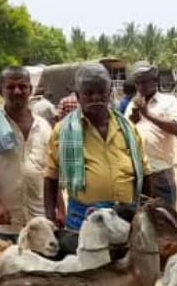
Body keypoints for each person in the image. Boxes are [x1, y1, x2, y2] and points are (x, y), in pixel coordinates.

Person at [44, 63, 156, 231]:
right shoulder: (63, 130)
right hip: (83, 221)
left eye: (101, 92)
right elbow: (51, 178)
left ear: (110, 94)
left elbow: (146, 174)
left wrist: (147, 214)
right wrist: (51, 218)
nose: (96, 98)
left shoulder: (128, 128)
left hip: (125, 219)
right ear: (78, 96)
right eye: (89, 93)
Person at [0, 66, 61, 243]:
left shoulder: (44, 126)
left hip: (40, 220)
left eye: (23, 86)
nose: (17, 91)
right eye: (10, 87)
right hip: (6, 220)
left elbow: (52, 171)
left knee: (41, 268)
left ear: (30, 90)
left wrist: (59, 208)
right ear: (0, 90)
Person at [126, 61, 177, 208]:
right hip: (138, 174)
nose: (140, 87)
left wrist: (148, 114)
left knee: (166, 222)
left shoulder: (169, 101)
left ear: (155, 81)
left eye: (144, 82)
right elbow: (124, 134)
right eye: (137, 83)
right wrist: (132, 122)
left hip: (161, 172)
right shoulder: (132, 105)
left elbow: (176, 128)